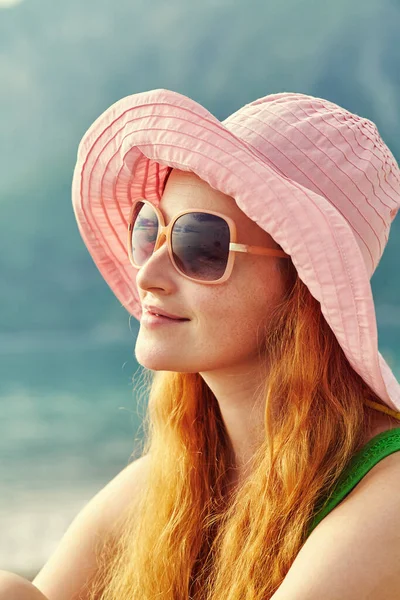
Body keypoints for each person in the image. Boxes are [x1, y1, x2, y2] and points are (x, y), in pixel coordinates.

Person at [7, 89, 400, 599]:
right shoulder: (178, 476)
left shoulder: (386, 501)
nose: (148, 274)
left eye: (202, 245)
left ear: (306, 286)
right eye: (150, 229)